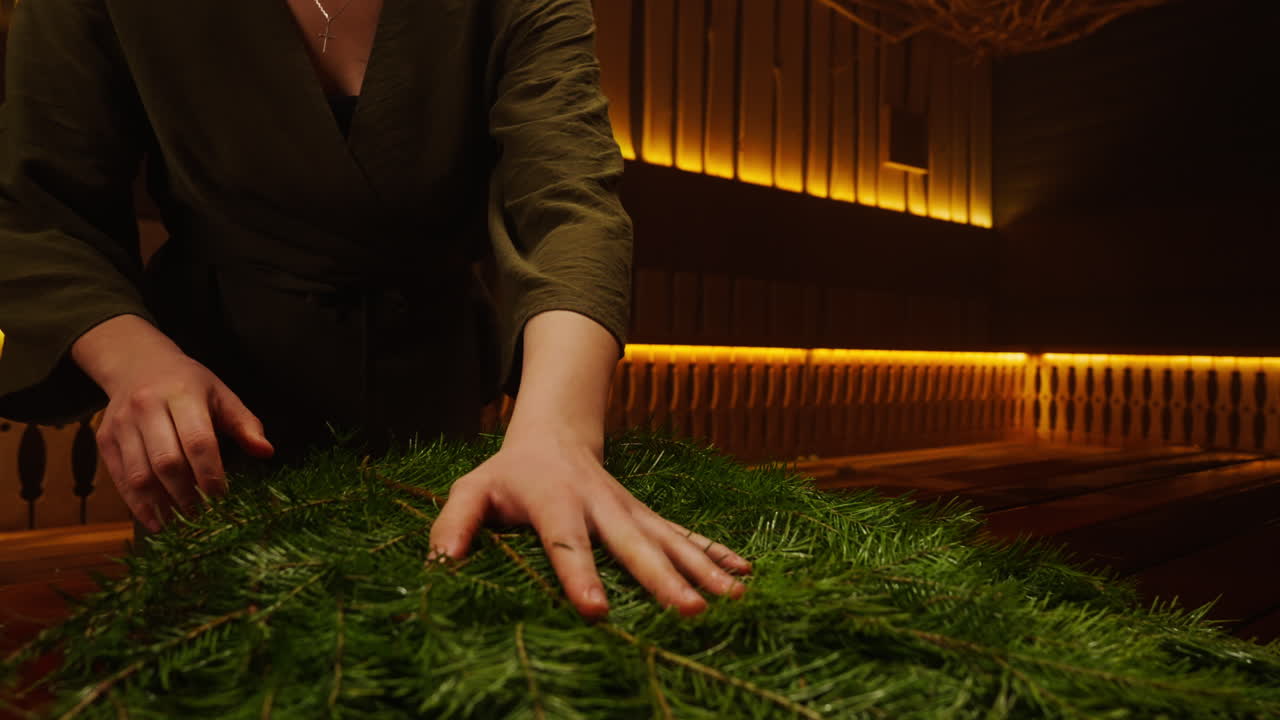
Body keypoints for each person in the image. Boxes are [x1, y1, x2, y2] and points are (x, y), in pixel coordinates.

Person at [0, 0, 749, 619]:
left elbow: (568, 206)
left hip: (438, 401)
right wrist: (132, 359)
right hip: (215, 419)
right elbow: (38, 209)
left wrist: (557, 432)